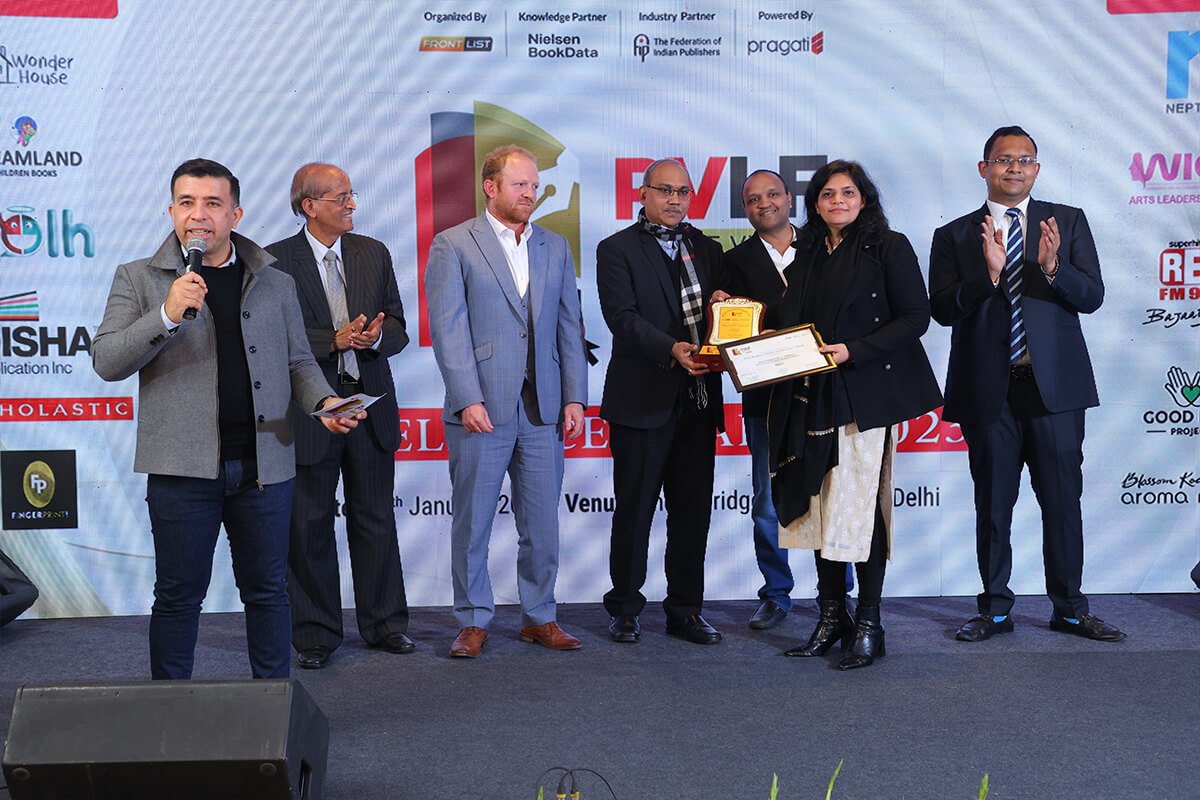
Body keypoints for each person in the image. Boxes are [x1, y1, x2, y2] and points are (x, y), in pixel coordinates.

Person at [92, 158, 360, 680]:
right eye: (187, 203)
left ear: (234, 214)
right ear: (172, 211)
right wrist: (166, 314)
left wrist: (325, 404)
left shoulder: (275, 282)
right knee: (177, 597)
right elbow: (107, 362)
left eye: (212, 203)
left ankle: (274, 710)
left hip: (265, 470)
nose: (198, 215)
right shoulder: (138, 278)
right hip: (180, 471)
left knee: (269, 592)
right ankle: (170, 711)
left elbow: (299, 362)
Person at [929, 125, 1125, 643]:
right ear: (984, 168)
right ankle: (994, 610)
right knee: (993, 506)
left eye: (1024, 160)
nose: (1013, 168)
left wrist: (1054, 268)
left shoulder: (1067, 221)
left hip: (1054, 391)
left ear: (1036, 169)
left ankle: (1070, 609)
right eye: (1003, 159)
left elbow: (1093, 297)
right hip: (988, 391)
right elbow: (942, 310)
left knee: (1062, 503)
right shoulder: (954, 235)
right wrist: (989, 276)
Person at [769, 159, 942, 669]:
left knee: (860, 506)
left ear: (863, 199)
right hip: (810, 394)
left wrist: (855, 350)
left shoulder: (889, 246)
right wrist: (746, 318)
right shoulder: (807, 251)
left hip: (864, 392)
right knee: (819, 504)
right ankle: (831, 617)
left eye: (847, 192)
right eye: (827, 194)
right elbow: (792, 321)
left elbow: (916, 317)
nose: (837, 201)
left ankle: (869, 623)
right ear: (815, 203)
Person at [426, 145, 587, 658]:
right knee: (473, 522)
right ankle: (473, 620)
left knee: (541, 525)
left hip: (543, 409)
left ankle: (540, 617)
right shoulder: (453, 243)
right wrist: (466, 398)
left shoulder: (555, 246)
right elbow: (448, 329)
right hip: (481, 409)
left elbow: (569, 326)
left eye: (535, 185)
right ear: (490, 187)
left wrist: (575, 398)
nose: (531, 193)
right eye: (520, 184)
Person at [266, 163, 413, 670]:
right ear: (309, 206)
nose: (352, 204)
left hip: (370, 404)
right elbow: (273, 339)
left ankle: (386, 624)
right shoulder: (275, 261)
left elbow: (399, 327)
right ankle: (315, 634)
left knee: (376, 518)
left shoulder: (374, 252)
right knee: (308, 524)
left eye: (352, 194)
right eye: (342, 196)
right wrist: (332, 341)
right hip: (310, 412)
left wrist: (375, 337)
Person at [597, 158, 728, 645]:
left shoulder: (708, 248)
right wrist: (671, 349)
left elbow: (729, 315)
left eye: (683, 192)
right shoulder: (616, 249)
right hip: (642, 400)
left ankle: (685, 611)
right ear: (643, 193)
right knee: (635, 511)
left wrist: (727, 307)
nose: (675, 199)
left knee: (692, 514)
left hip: (699, 401)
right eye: (665, 190)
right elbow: (621, 317)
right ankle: (625, 608)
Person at [721, 169, 796, 630]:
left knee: (833, 497)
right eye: (753, 199)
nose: (763, 203)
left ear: (789, 198)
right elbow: (729, 333)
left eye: (771, 194)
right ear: (745, 209)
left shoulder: (827, 247)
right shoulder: (734, 262)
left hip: (825, 396)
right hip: (765, 400)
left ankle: (840, 593)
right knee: (768, 503)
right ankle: (776, 593)